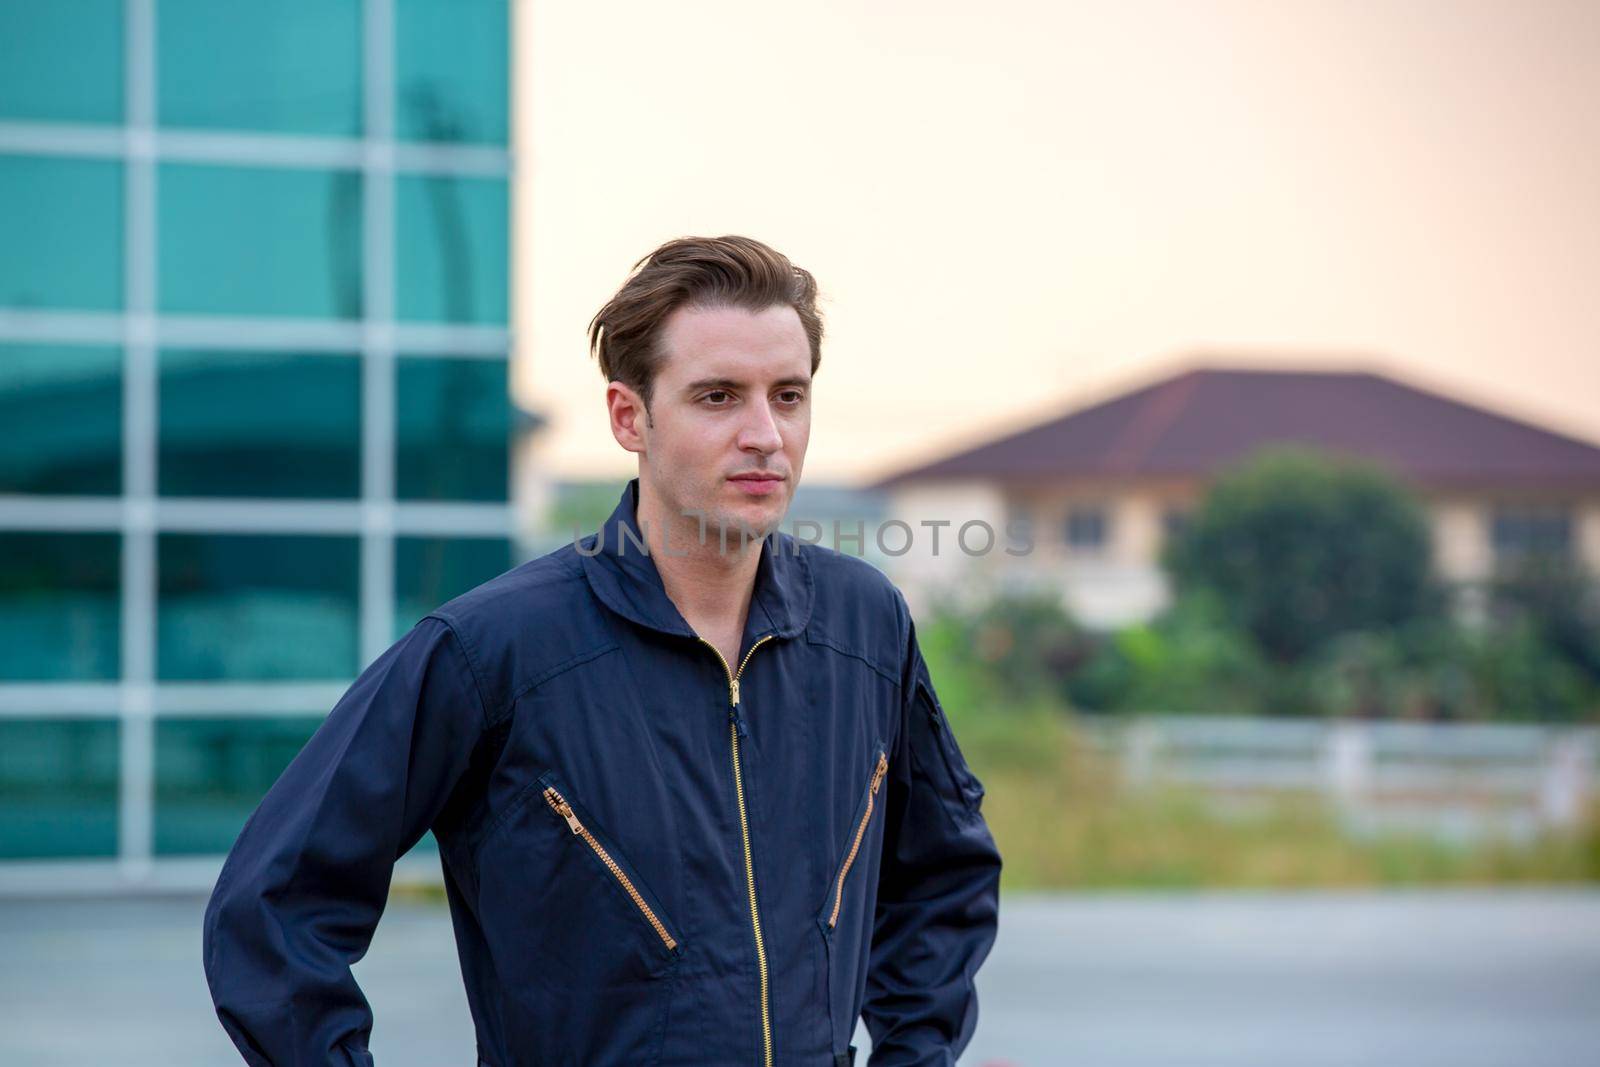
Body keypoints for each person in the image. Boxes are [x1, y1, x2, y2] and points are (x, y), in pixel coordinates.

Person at [202, 235, 1002, 1066]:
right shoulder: (496, 649)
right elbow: (272, 907)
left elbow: (943, 875)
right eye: (719, 396)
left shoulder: (865, 626)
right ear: (631, 416)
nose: (765, 433)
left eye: (788, 395)